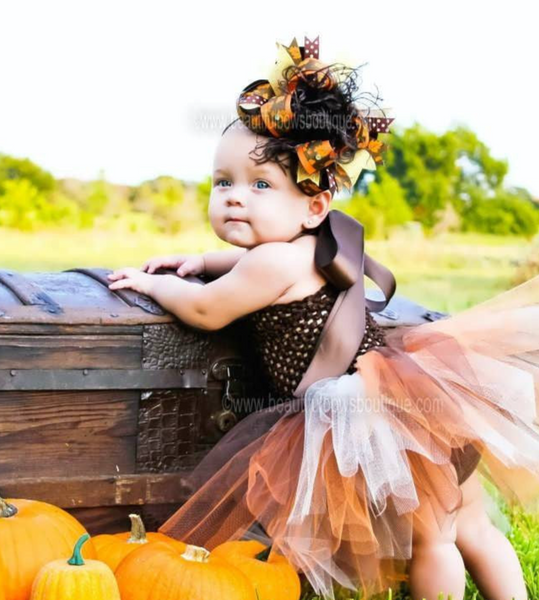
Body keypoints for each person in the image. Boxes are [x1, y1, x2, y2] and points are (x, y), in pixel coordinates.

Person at [107, 36, 539, 600]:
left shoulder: (272, 262)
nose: (235, 198)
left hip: (368, 413)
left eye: (261, 185)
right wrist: (203, 259)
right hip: (416, 392)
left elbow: (208, 310)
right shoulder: (318, 242)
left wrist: (154, 284)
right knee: (467, 525)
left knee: (431, 537)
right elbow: (249, 263)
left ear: (313, 204)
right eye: (223, 182)